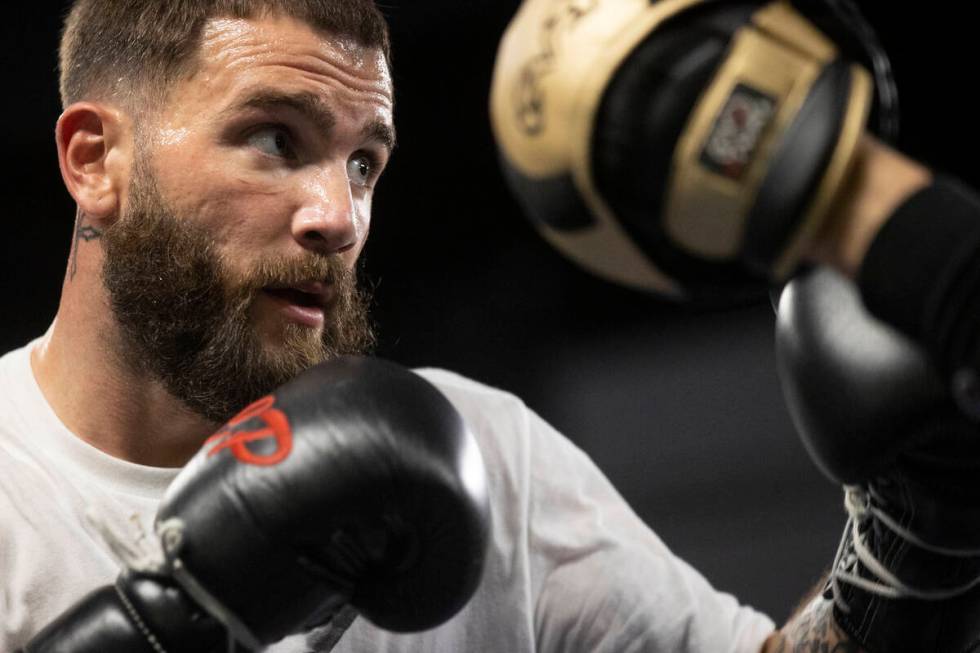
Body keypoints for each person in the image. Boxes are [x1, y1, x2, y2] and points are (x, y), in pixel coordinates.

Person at [0, 0, 964, 651]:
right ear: (94, 161)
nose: (337, 216)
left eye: (364, 163)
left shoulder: (479, 452)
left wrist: (909, 560)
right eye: (274, 139)